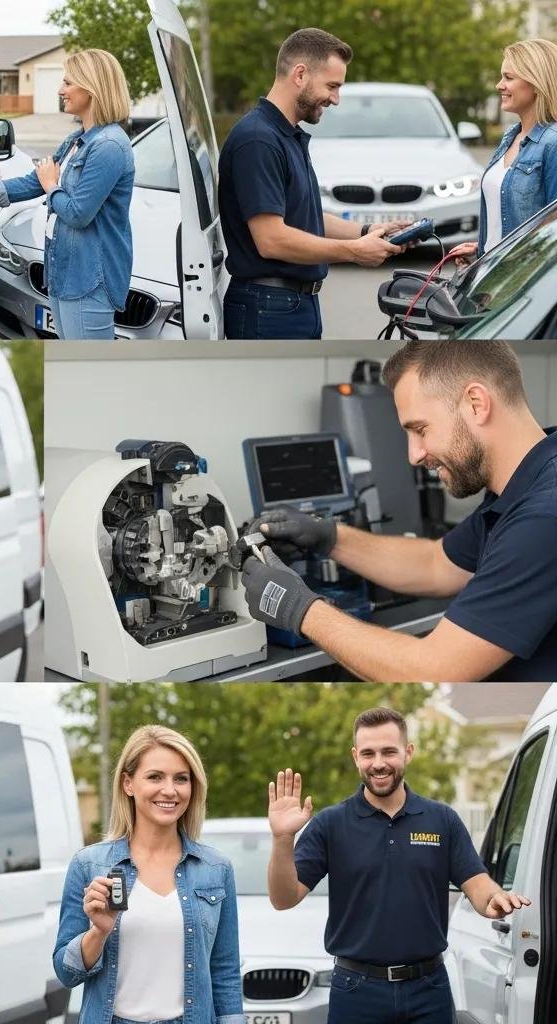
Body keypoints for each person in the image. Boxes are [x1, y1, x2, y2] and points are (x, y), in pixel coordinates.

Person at [239, 340, 557, 682]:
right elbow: (437, 564)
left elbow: (433, 669)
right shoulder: (528, 478)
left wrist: (297, 608)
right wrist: (327, 536)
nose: (414, 455)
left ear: (476, 404)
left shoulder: (543, 516)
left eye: (420, 430)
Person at [267, 706, 530, 1024]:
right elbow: (284, 898)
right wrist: (283, 838)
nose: (378, 764)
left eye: (388, 752)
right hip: (355, 992)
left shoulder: (441, 819)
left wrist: (495, 900)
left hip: (428, 989)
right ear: (355, 757)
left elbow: (477, 884)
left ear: (408, 753)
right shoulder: (330, 824)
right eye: (368, 753)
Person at [216, 29, 413, 339]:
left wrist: (367, 232)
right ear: (300, 74)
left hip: (290, 305)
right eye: (332, 86)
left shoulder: (284, 134)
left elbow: (303, 216)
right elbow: (272, 239)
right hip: (268, 308)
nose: (335, 99)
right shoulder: (258, 140)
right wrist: (353, 252)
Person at [54, 725, 245, 1024]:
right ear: (128, 784)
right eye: (155, 776)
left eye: (181, 779)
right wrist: (98, 932)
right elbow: (66, 973)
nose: (170, 790)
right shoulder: (89, 865)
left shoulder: (215, 868)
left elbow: (225, 970)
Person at [0, 49, 134, 340]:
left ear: (92, 87)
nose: (61, 90)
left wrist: (51, 186)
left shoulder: (109, 146)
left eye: (68, 83)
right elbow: (35, 181)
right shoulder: (77, 140)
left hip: (89, 281)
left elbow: (77, 213)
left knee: (89, 369)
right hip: (63, 274)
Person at [452, 38, 557, 265]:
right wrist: (482, 251)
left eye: (508, 78)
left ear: (536, 83)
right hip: (493, 278)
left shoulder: (553, 143)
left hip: (525, 286)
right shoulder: (511, 136)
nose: (499, 85)